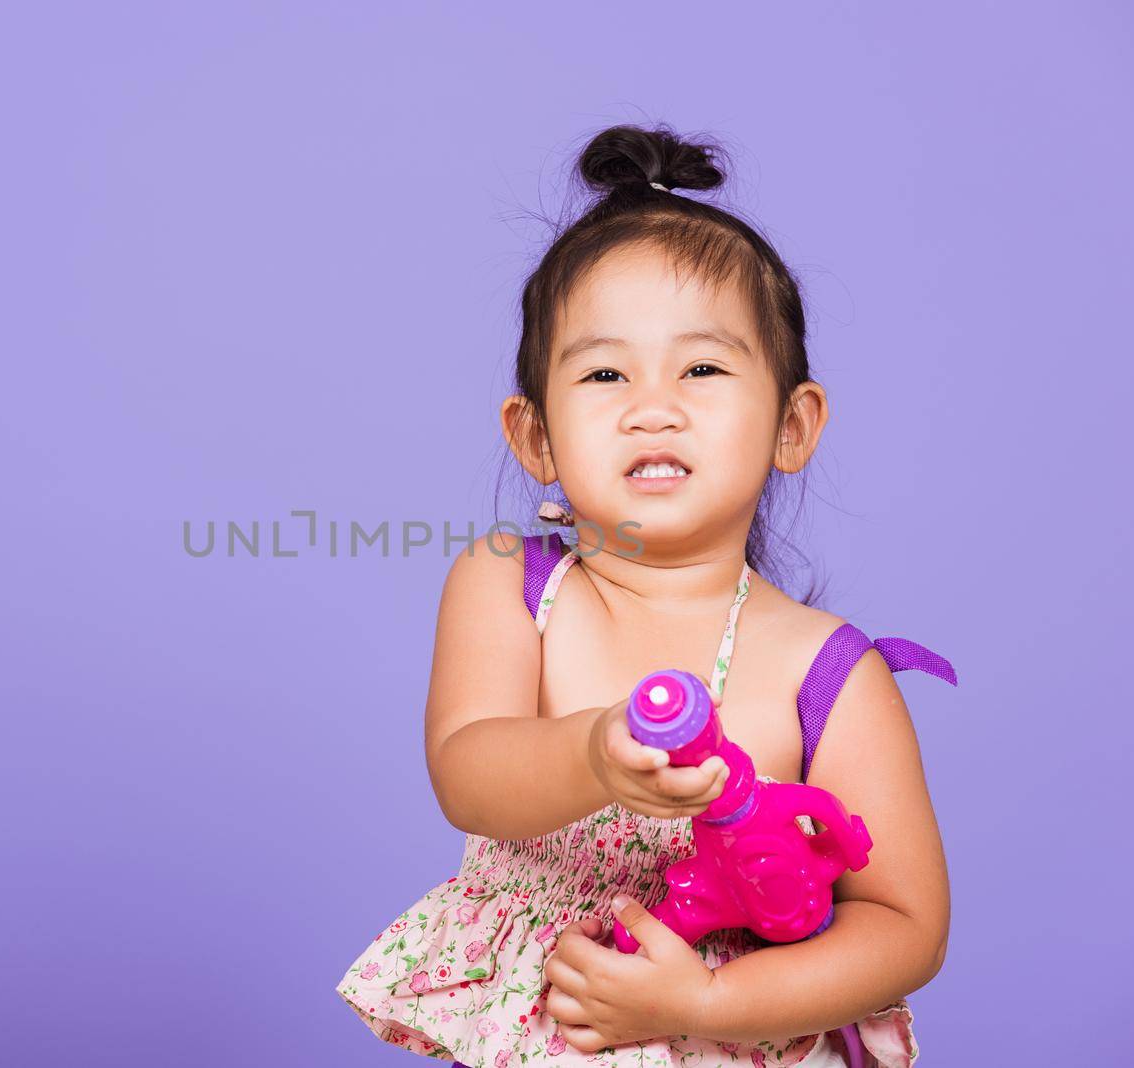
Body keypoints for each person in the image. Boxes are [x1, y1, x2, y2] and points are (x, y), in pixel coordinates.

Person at [335, 122, 957, 1068]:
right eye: (603, 373)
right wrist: (593, 752)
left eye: (702, 368)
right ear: (535, 437)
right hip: (560, 1028)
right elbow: (467, 771)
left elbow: (907, 926)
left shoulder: (828, 669)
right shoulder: (514, 583)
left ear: (793, 425)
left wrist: (709, 997)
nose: (651, 405)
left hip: (739, 1036)